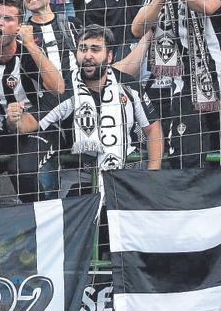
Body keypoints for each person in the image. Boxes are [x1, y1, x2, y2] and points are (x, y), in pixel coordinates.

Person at [18, 25, 163, 194]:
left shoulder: (129, 86)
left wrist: (153, 173)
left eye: (95, 49)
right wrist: (14, 118)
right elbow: (28, 124)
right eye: (83, 49)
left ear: (109, 56)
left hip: (127, 172)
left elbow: (153, 129)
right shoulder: (67, 89)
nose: (88, 56)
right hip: (79, 178)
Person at [132, 0, 221, 168]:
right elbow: (136, 29)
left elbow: (209, 6)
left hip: (217, 79)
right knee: (185, 156)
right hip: (185, 87)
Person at [0, 0, 64, 203]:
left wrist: (32, 44)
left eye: (8, 19)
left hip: (38, 127)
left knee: (22, 170)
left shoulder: (28, 54)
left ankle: (41, 216)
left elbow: (59, 88)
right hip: (2, 130)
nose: (0, 22)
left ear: (18, 27)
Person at [20, 0, 78, 90]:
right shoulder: (20, 36)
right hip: (45, 104)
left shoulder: (72, 25)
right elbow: (57, 88)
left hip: (80, 100)